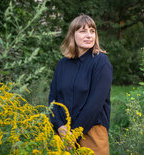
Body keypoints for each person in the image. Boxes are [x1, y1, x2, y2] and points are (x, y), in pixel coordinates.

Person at [48, 14, 113, 154]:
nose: (89, 35)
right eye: (83, 31)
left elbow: (95, 104)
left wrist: (74, 134)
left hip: (91, 133)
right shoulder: (62, 64)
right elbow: (53, 98)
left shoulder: (101, 62)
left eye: (92, 31)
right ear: (72, 35)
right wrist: (59, 126)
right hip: (62, 135)